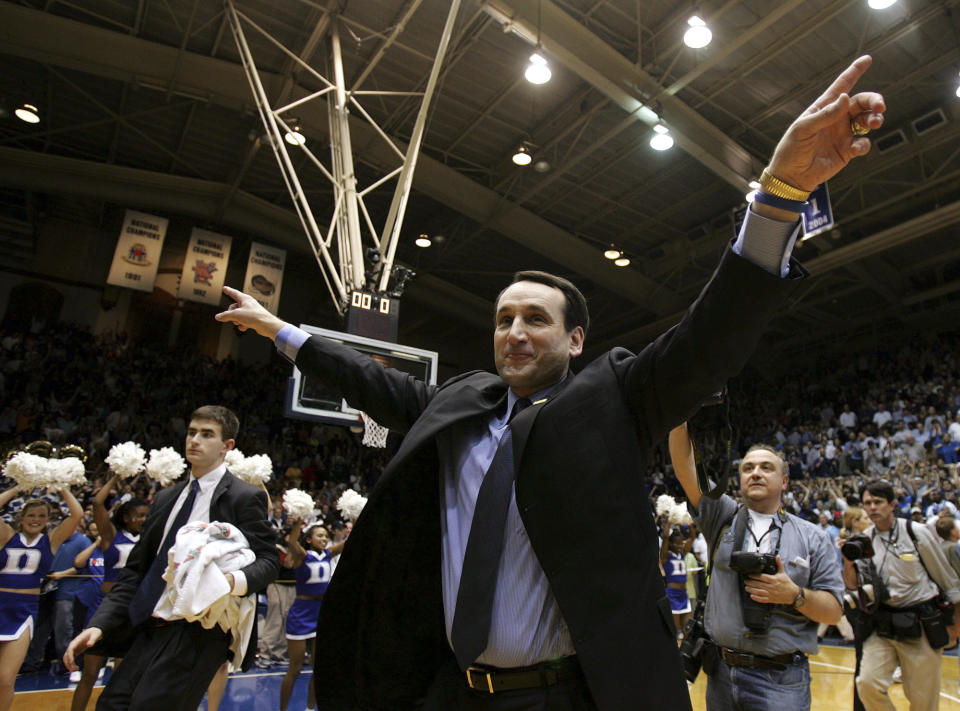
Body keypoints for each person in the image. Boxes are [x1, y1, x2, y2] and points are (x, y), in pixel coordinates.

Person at [215, 56, 885, 710]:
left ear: (575, 340)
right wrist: (281, 330)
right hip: (451, 689)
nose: (514, 330)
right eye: (504, 318)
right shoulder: (455, 407)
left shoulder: (611, 398)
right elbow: (367, 380)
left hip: (568, 693)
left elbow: (707, 340)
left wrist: (779, 198)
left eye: (536, 318)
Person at [63, 406, 279, 711]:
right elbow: (136, 571)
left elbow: (269, 561)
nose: (195, 440)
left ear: (227, 446)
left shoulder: (243, 496)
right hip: (151, 622)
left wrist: (230, 582)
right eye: (192, 432)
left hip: (200, 626)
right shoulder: (166, 498)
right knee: (112, 704)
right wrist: (100, 624)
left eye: (207, 434)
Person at [669, 424, 844, 710]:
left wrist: (794, 595)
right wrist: (679, 415)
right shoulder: (722, 516)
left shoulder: (813, 536)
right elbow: (685, 466)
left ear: (784, 482)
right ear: (740, 480)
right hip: (722, 674)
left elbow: (834, 611)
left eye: (766, 467)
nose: (756, 473)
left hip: (782, 679)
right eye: (748, 468)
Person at [845, 480, 960, 711]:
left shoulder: (916, 533)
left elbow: (949, 582)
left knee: (922, 701)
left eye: (878, 502)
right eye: (868, 503)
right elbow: (851, 584)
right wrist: (847, 561)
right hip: (882, 623)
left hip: (921, 622)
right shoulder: (863, 540)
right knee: (866, 683)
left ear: (893, 505)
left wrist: (956, 626)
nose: (872, 507)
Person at [0, 485, 82, 710]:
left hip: (24, 612)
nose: (35, 520)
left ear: (48, 519)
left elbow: (77, 515)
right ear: (21, 517)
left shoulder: (51, 541)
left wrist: (62, 486)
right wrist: (18, 487)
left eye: (41, 516)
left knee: (6, 679)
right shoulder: (7, 536)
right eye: (30, 515)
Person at [68, 485, 149, 711]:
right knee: (90, 674)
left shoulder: (149, 541)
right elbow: (97, 504)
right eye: (139, 515)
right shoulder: (111, 536)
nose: (144, 519)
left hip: (133, 610)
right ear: (126, 517)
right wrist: (115, 476)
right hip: (105, 605)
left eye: (146, 516)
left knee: (122, 677)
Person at [279, 521, 336, 711]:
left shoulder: (328, 554)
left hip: (321, 611)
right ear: (310, 540)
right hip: (302, 611)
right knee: (295, 668)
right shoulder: (303, 555)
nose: (324, 538)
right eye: (319, 535)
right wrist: (297, 521)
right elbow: (293, 542)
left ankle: (310, 709)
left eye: (325, 536)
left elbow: (349, 542)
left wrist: (354, 517)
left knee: (317, 668)